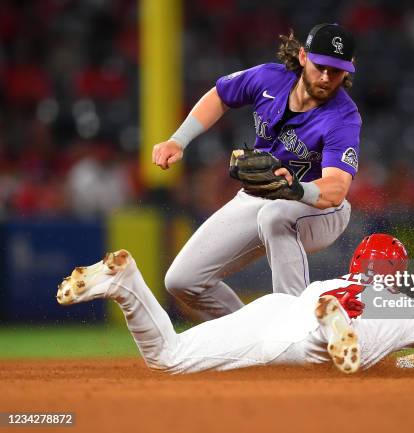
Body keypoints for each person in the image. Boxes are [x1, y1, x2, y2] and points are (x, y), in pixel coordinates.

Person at [56, 234, 414, 374]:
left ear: (359, 262)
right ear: (400, 274)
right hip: (303, 338)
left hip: (281, 306)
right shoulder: (410, 309)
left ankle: (125, 281)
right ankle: (330, 330)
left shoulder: (337, 279)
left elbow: (412, 362)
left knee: (166, 356)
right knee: (334, 351)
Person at [151, 23, 362, 323]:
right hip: (260, 197)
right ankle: (255, 334)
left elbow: (336, 189)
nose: (326, 77)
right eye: (320, 66)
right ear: (303, 56)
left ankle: (295, 330)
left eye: (336, 70)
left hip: (319, 210)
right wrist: (179, 139)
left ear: (349, 69)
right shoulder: (269, 78)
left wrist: (296, 189)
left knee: (276, 215)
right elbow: (220, 95)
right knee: (183, 281)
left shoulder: (343, 117)